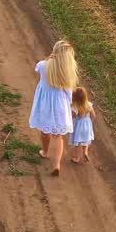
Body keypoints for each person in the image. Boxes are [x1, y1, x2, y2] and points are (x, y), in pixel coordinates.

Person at [28, 40, 78, 176]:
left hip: (45, 104)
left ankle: (45, 152)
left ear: (54, 52)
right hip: (60, 105)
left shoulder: (44, 66)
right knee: (58, 136)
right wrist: (71, 108)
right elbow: (68, 94)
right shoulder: (67, 73)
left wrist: (49, 58)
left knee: (45, 131)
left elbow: (37, 67)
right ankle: (56, 165)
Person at [70, 86, 95, 164]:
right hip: (87, 124)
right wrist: (91, 123)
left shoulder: (75, 108)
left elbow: (72, 116)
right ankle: (85, 152)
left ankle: (77, 158)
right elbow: (94, 115)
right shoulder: (89, 105)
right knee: (86, 140)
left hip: (78, 126)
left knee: (77, 143)